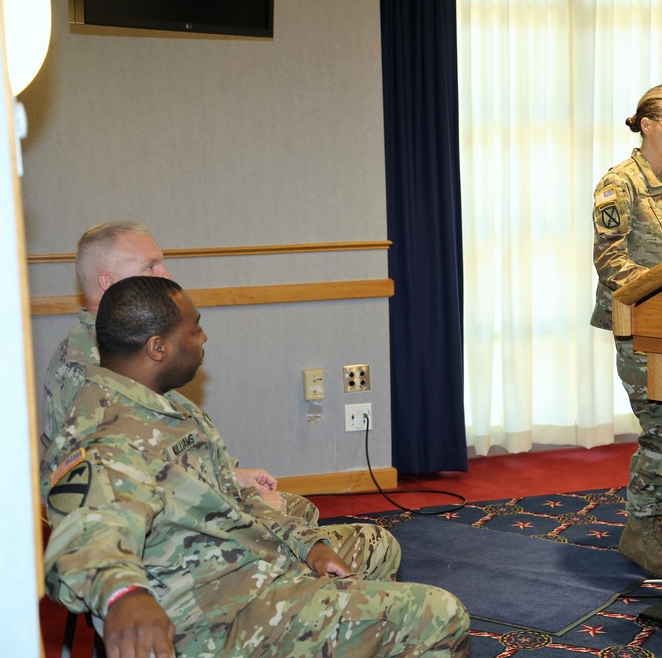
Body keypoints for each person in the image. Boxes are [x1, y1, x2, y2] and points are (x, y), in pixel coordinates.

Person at [42, 276, 470, 657]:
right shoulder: (107, 433)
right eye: (194, 329)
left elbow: (236, 495)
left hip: (249, 568)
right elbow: (90, 529)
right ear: (158, 347)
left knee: (376, 545)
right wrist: (124, 594)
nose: (204, 337)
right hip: (213, 620)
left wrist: (308, 545)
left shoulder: (168, 405)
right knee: (443, 615)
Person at [40, 221, 308, 519]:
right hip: (152, 525)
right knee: (291, 519)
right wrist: (245, 506)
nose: (166, 275)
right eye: (150, 266)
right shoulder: (93, 362)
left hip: (176, 497)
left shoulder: (126, 342)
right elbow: (131, 481)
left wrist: (232, 474)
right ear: (108, 281)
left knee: (297, 510)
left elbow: (169, 443)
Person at [590, 84, 662, 577]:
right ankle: (640, 530)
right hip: (638, 328)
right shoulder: (618, 185)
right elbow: (610, 261)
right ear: (648, 124)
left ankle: (647, 525)